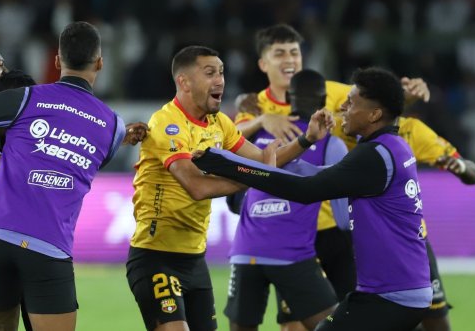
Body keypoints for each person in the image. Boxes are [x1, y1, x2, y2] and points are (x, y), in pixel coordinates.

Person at [0, 21, 147, 331]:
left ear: (57, 61)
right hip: (47, 245)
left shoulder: (26, 98)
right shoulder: (113, 126)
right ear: (100, 62)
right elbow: (83, 166)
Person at [235, 24, 471, 330]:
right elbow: (231, 138)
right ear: (263, 63)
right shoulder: (256, 106)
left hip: (337, 224)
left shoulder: (333, 93)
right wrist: (261, 119)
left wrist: (405, 98)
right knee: (297, 324)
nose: (289, 59)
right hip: (293, 232)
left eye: (294, 51)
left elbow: (374, 107)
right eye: (279, 53)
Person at [195, 67, 433, 331]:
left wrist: (224, 164)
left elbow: (306, 189)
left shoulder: (374, 155)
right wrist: (302, 143)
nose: (342, 106)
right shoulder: (389, 147)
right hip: (395, 290)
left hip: (391, 295)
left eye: (352, 102)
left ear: (374, 114)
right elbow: (316, 173)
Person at [127, 45, 329, 331]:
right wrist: (255, 176)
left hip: (195, 261)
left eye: (221, 72)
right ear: (184, 82)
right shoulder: (167, 123)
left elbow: (262, 161)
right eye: (210, 73)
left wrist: (305, 141)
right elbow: (195, 186)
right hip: (155, 258)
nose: (220, 80)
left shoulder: (219, 123)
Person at [225, 69, 346, 331]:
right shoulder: (330, 144)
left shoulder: (258, 137)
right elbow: (345, 220)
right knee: (332, 325)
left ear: (289, 98)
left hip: (246, 253)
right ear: (324, 100)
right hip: (292, 254)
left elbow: (234, 200)